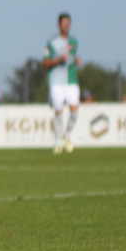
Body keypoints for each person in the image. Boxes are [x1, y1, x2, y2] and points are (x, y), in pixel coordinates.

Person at [43, 12, 81, 154]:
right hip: (56, 81)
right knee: (58, 112)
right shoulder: (52, 43)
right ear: (59, 25)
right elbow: (45, 63)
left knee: (74, 112)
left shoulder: (74, 42)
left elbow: (71, 58)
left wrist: (76, 60)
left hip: (71, 80)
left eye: (68, 23)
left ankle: (66, 135)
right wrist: (59, 60)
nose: (66, 26)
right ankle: (58, 140)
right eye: (63, 24)